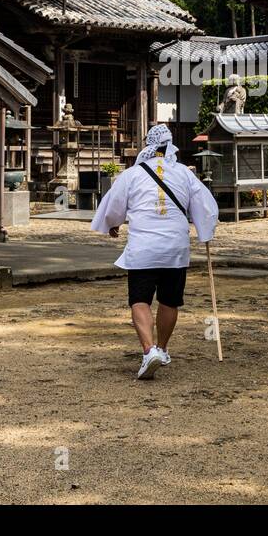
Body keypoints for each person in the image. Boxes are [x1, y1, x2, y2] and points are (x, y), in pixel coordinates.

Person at [90, 124, 219, 380]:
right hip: (175, 245)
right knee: (170, 300)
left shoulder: (132, 174)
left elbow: (115, 205)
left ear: (147, 145)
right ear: (170, 146)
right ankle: (162, 348)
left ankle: (149, 350)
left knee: (140, 299)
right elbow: (204, 206)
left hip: (143, 246)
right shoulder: (184, 173)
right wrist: (205, 230)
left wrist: (113, 223)